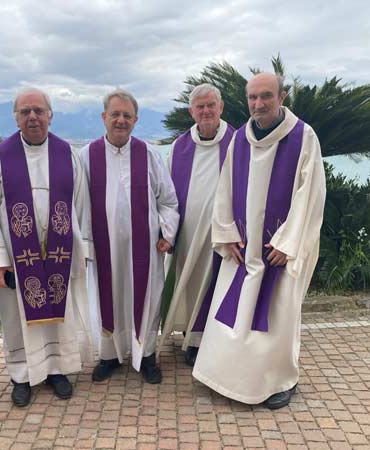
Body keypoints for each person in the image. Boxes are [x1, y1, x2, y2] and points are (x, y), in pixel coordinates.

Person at [193, 73, 326, 409]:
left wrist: (288, 242)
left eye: (266, 96)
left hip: (277, 251)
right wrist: (227, 233)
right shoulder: (240, 139)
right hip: (243, 249)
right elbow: (224, 188)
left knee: (277, 318)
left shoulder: (303, 137)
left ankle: (281, 380)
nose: (258, 103)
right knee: (233, 313)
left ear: (282, 97)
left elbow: (311, 194)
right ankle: (225, 376)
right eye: (253, 97)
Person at [0, 87, 93, 407]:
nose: (32, 117)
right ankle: (21, 375)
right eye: (25, 111)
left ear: (50, 116)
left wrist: (82, 250)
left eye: (39, 111)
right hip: (17, 258)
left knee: (60, 316)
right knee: (17, 318)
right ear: (16, 118)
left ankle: (57, 370)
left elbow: (81, 205)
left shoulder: (67, 154)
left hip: (60, 254)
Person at [79, 89, 179, 384]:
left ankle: (146, 355)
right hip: (103, 248)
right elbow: (78, 203)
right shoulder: (86, 156)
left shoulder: (149, 155)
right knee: (106, 297)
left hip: (144, 249)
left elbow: (168, 200)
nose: (120, 120)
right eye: (115, 114)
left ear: (136, 120)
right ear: (103, 117)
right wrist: (84, 245)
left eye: (127, 115)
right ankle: (109, 356)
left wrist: (167, 232)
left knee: (147, 298)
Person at [158, 83, 234, 366]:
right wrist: (167, 232)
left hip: (224, 235)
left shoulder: (238, 142)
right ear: (191, 111)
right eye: (200, 107)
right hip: (188, 234)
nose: (206, 111)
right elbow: (166, 195)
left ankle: (213, 338)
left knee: (218, 284)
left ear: (221, 107)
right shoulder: (180, 147)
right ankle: (192, 337)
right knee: (189, 283)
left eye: (211, 105)